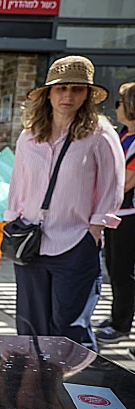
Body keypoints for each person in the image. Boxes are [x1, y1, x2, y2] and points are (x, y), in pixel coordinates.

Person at [5, 56, 124, 351]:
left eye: (76, 89)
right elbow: (18, 183)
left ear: (87, 95)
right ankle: (34, 394)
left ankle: (75, 395)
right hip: (30, 243)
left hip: (74, 242)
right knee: (30, 327)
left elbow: (113, 185)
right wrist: (11, 221)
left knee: (70, 331)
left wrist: (95, 230)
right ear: (48, 93)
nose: (68, 96)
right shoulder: (29, 135)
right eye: (61, 89)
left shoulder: (100, 134)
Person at [95, 82, 135, 343]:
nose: (116, 108)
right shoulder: (123, 134)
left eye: (120, 103)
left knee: (122, 270)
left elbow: (127, 180)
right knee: (112, 266)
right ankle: (116, 316)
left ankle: (121, 325)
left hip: (128, 215)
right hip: (114, 212)